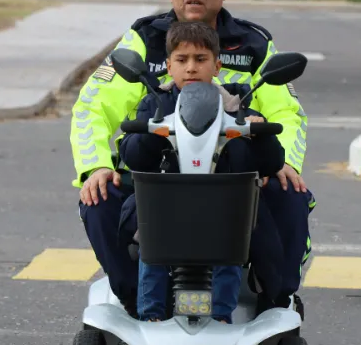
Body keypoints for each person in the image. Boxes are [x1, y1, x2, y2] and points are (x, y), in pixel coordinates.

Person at [70, 0, 313, 317]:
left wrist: (285, 163)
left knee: (290, 195)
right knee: (98, 199)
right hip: (156, 175)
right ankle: (139, 305)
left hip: (236, 176)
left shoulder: (255, 44)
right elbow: (92, 108)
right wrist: (96, 165)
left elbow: (287, 112)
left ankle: (275, 302)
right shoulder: (141, 39)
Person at [119, 21, 286, 323]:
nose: (191, 68)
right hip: (165, 203)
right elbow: (133, 157)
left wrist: (261, 133)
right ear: (168, 66)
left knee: (240, 235)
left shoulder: (239, 103)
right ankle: (151, 317)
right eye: (182, 60)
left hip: (225, 205)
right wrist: (148, 133)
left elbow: (271, 163)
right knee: (150, 235)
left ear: (217, 65)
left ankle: (224, 316)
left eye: (200, 59)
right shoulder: (155, 102)